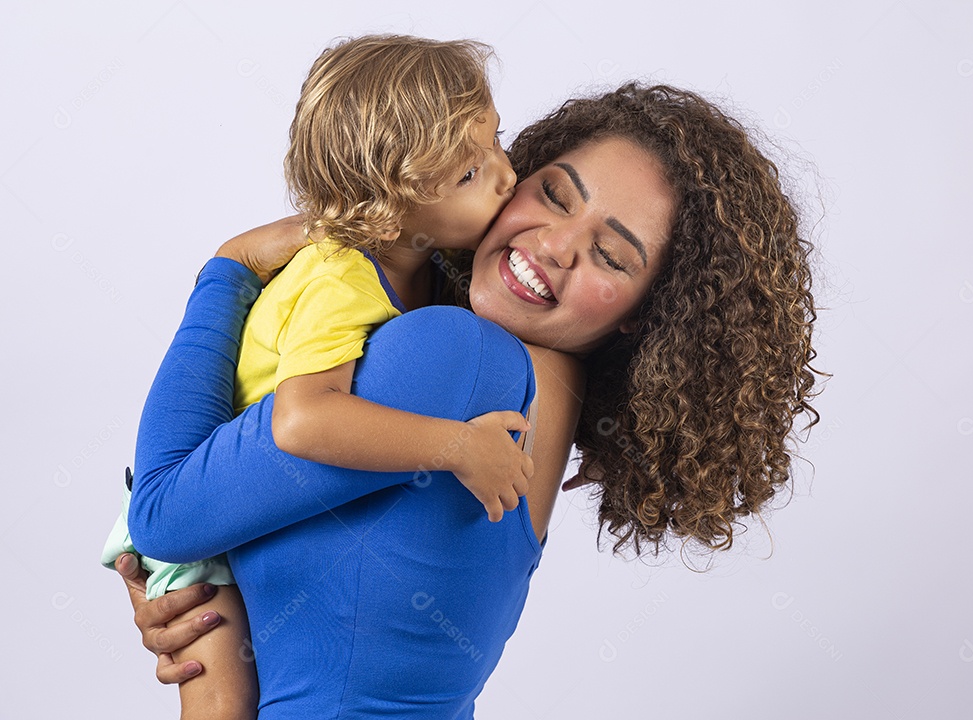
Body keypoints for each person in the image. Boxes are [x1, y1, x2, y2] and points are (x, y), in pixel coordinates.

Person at [118, 83, 821, 718]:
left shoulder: (455, 359)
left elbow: (162, 511)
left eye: (611, 255)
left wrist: (227, 269)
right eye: (553, 194)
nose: (555, 246)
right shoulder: (534, 391)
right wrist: (204, 606)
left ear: (647, 313)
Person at [100, 34, 527, 719]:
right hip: (205, 526)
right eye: (471, 175)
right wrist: (458, 447)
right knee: (221, 704)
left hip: (249, 510)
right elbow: (303, 420)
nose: (507, 176)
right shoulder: (343, 277)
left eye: (497, 143)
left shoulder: (424, 275)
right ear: (395, 199)